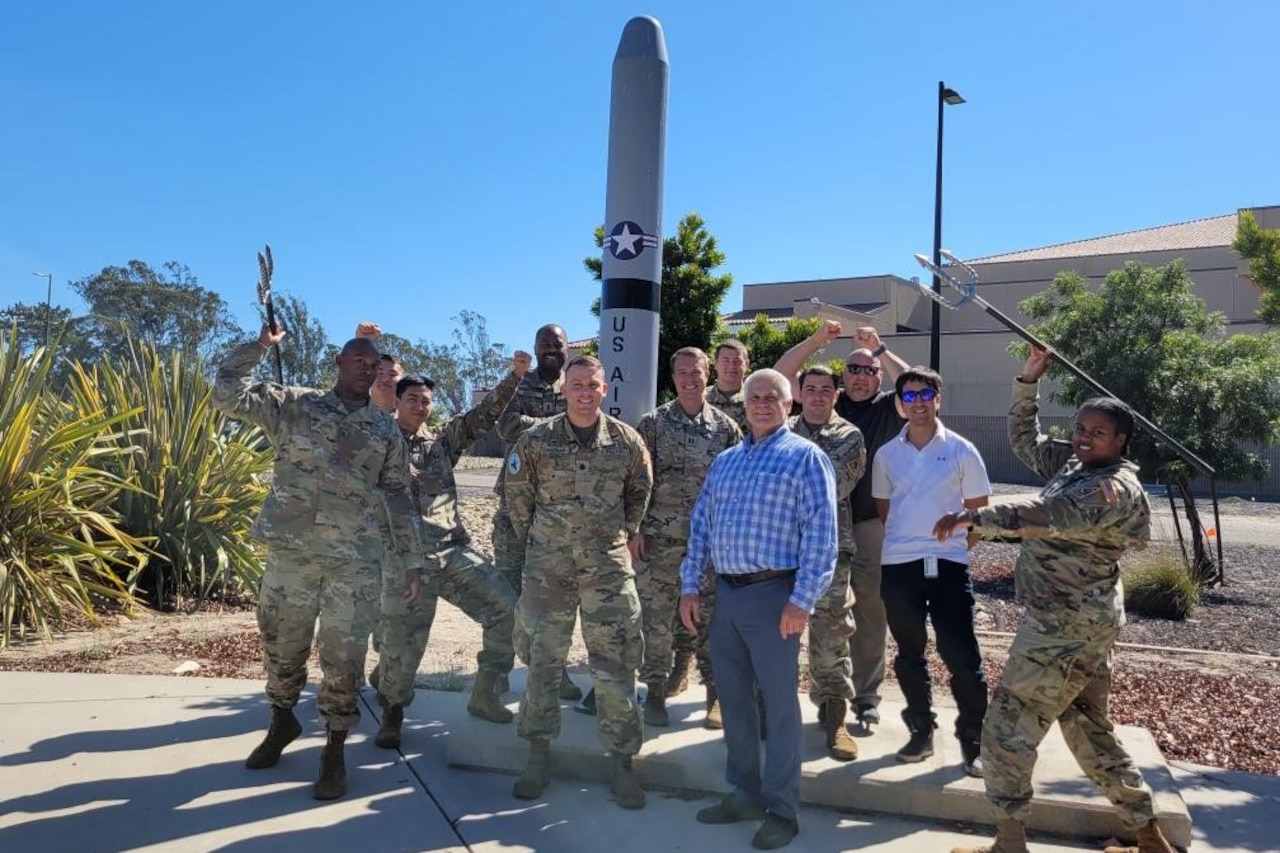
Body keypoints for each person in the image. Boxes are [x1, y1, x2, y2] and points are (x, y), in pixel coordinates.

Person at [938, 347, 1174, 853]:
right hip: (1076, 624)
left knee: (1005, 730)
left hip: (1063, 630)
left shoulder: (1112, 488)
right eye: (1082, 428)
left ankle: (1008, 843)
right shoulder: (1076, 465)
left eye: (1098, 432)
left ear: (1122, 441)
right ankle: (1150, 839)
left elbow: (1049, 511)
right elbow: (1025, 440)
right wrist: (1028, 380)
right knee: (1088, 729)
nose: (1084, 436)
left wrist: (976, 516)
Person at [214, 325, 423, 800]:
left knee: (343, 657)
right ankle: (282, 719)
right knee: (282, 646)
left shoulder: (384, 429)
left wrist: (411, 561)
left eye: (374, 366)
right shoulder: (294, 405)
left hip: (354, 562)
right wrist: (262, 346)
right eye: (358, 361)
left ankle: (333, 748)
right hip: (293, 554)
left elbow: (397, 495)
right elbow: (227, 392)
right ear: (339, 363)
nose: (366, 371)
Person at [679, 368, 838, 851]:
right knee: (734, 700)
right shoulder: (725, 461)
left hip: (775, 598)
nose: (763, 403)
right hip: (726, 596)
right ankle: (744, 791)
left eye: (773, 396)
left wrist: (802, 600)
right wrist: (690, 587)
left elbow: (822, 535)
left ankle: (782, 810)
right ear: (743, 405)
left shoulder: (805, 458)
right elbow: (701, 526)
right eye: (755, 397)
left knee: (781, 708)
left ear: (788, 406)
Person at [504, 355, 653, 809]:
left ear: (604, 390)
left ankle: (621, 762)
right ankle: (537, 754)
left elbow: (639, 493)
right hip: (548, 569)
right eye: (576, 385)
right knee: (544, 662)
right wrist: (544, 542)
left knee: (615, 666)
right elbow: (518, 501)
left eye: (592, 385)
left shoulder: (627, 442)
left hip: (606, 570)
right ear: (563, 390)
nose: (584, 392)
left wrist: (621, 535)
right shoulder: (535, 441)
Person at [372, 352, 531, 748]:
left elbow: (484, 414)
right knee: (402, 644)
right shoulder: (376, 440)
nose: (421, 406)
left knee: (507, 610)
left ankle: (485, 694)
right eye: (413, 399)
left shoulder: (442, 443)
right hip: (403, 562)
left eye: (426, 400)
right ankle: (392, 711)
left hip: (449, 552)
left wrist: (514, 376)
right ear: (396, 399)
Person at [775, 321, 906, 729]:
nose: (861, 377)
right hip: (798, 528)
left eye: (869, 371)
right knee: (795, 611)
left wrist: (879, 347)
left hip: (864, 525)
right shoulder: (825, 401)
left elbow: (913, 385)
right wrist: (818, 340)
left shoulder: (888, 406)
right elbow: (780, 378)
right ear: (841, 378)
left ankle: (865, 698)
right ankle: (793, 696)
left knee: (868, 612)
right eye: (853, 370)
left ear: (878, 377)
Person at [872, 366, 990, 776]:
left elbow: (980, 513)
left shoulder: (961, 450)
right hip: (899, 567)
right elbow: (886, 511)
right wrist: (912, 542)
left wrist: (951, 546)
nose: (917, 403)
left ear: (938, 399)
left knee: (961, 655)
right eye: (909, 396)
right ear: (901, 404)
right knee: (908, 654)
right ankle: (921, 731)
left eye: (925, 395)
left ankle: (975, 742)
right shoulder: (886, 454)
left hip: (949, 568)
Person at [633, 347, 742, 728]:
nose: (689, 379)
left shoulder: (727, 429)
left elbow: (737, 488)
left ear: (707, 374)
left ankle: (716, 695)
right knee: (657, 622)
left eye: (696, 372)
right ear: (673, 377)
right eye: (682, 373)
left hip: (708, 547)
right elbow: (637, 482)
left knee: (711, 622)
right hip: (660, 542)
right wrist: (635, 530)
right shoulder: (653, 424)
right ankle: (656, 694)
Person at [491, 323, 581, 702]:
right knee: (506, 594)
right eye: (544, 343)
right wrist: (556, 427)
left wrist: (542, 429)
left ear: (565, 349)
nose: (550, 349)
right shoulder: (518, 384)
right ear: (534, 347)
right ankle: (494, 672)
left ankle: (553, 672)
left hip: (559, 510)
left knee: (555, 599)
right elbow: (505, 423)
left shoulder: (574, 385)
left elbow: (583, 423)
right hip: (515, 504)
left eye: (556, 344)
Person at [787, 365, 865, 760]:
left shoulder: (849, 436)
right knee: (775, 634)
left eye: (825, 390)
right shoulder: (779, 430)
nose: (818, 396)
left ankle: (835, 717)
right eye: (810, 389)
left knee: (832, 634)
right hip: (779, 550)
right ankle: (772, 711)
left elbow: (832, 487)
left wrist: (784, 486)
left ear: (836, 395)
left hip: (828, 551)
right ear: (799, 393)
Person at [705, 339, 750, 431]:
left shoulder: (757, 399)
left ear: (747, 364)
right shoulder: (700, 400)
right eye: (726, 361)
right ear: (715, 364)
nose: (731, 366)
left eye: (737, 361)